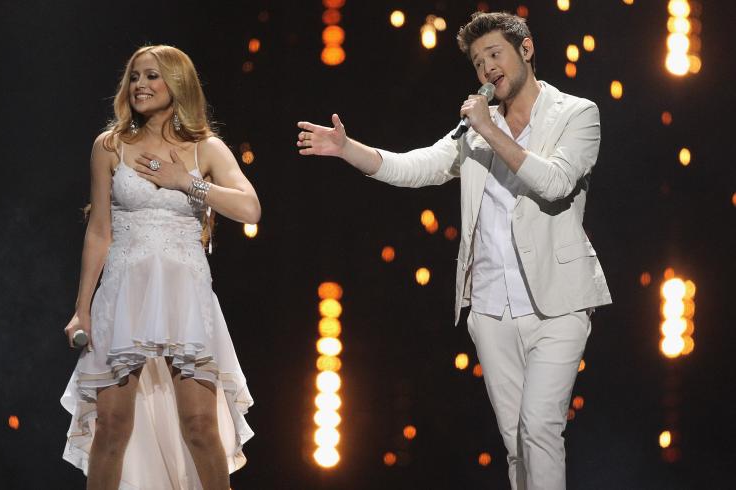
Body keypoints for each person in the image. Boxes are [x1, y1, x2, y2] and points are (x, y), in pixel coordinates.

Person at [296, 11, 611, 490]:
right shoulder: (475, 130)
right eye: (478, 61)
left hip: (558, 303)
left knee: (540, 427)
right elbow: (416, 166)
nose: (486, 68)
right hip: (489, 304)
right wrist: (347, 149)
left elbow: (555, 182)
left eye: (494, 54)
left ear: (525, 50)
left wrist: (489, 130)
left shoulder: (576, 113)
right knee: (515, 441)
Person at [61, 45, 260, 490]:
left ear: (177, 84)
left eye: (152, 76)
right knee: (111, 428)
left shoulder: (205, 148)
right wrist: (83, 309)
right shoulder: (109, 146)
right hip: (124, 293)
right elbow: (98, 232)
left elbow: (250, 209)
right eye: (134, 77)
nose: (140, 86)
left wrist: (186, 182)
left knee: (199, 427)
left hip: (183, 295)